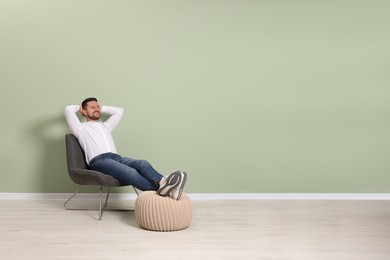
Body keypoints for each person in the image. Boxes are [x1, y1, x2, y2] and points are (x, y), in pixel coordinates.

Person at [64, 97, 187, 200]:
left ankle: (163, 182)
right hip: (100, 161)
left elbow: (120, 111)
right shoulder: (80, 129)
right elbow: (68, 110)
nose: (97, 109)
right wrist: (79, 107)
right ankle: (165, 192)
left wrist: (102, 108)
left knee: (142, 163)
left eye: (98, 106)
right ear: (84, 111)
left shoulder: (105, 126)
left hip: (117, 158)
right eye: (92, 107)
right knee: (131, 172)